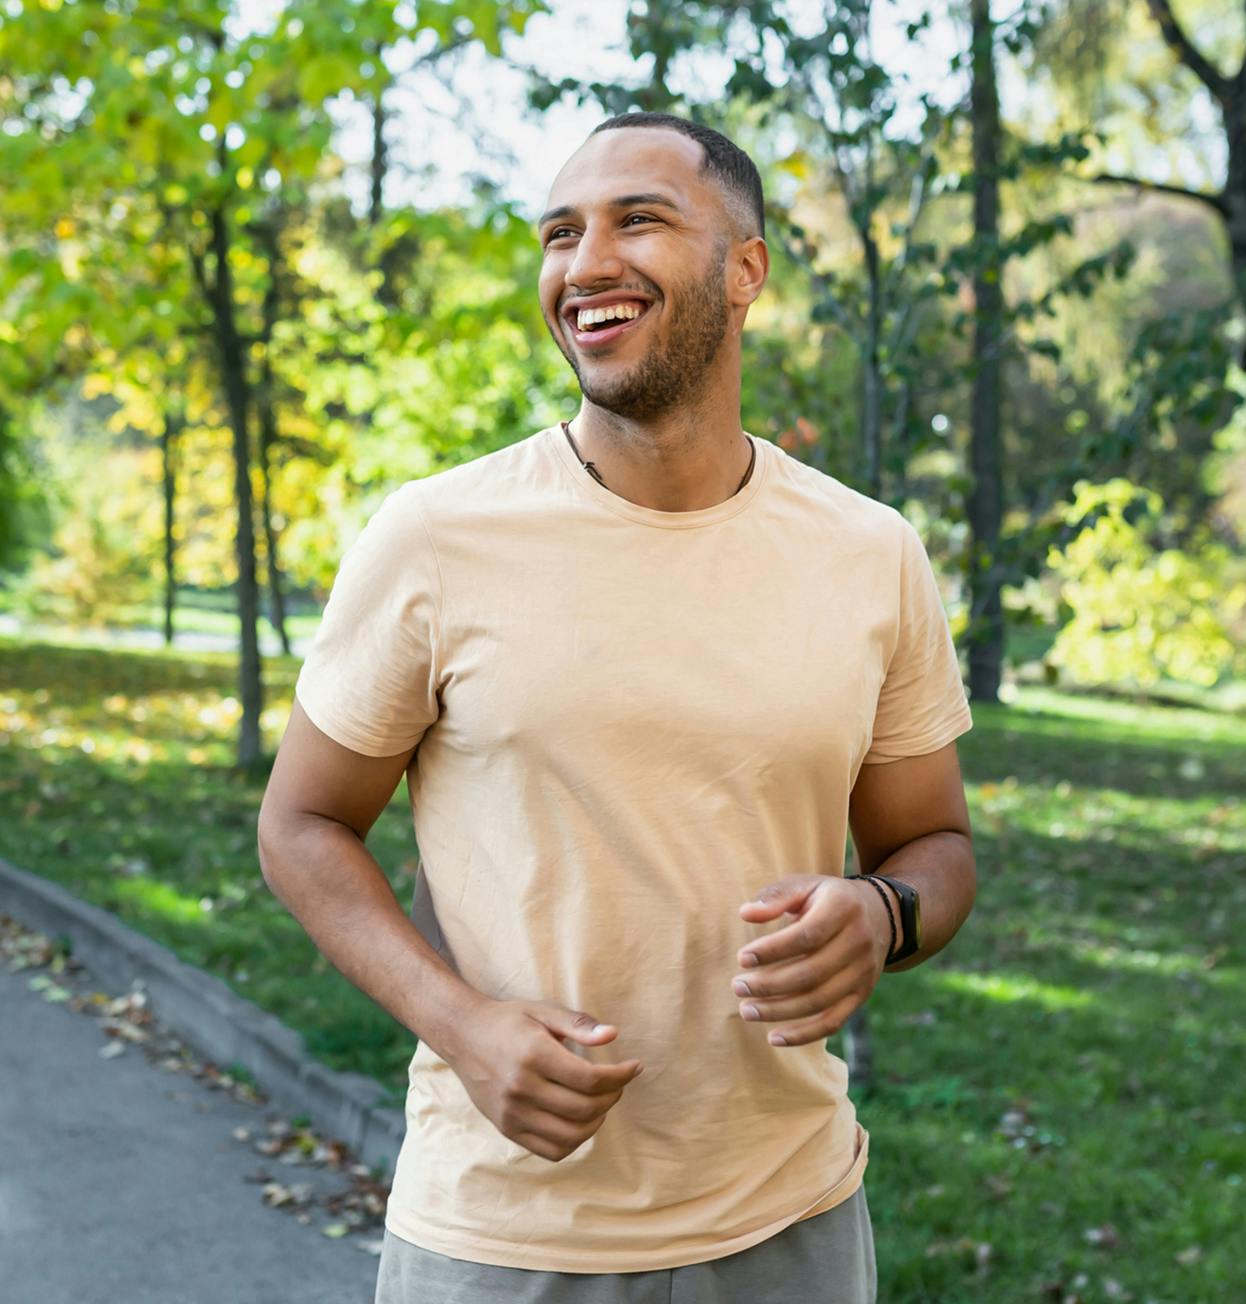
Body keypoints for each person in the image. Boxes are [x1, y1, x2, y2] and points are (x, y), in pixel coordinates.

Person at [257, 111, 976, 1304]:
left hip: (790, 1218)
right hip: (499, 1231)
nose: (582, 263)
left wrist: (884, 912)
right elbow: (301, 825)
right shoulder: (435, 535)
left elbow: (933, 844)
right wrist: (464, 1024)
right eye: (558, 234)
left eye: (636, 220)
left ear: (744, 268)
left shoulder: (870, 552)